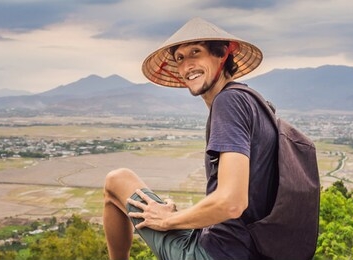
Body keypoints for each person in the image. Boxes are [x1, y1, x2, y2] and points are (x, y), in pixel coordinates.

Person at [103, 17, 276, 260]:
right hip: (248, 248)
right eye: (180, 58)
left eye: (196, 52)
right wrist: (180, 218)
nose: (187, 66)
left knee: (117, 181)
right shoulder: (255, 101)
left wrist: (169, 219)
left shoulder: (229, 102)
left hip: (217, 254)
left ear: (222, 54)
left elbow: (232, 203)